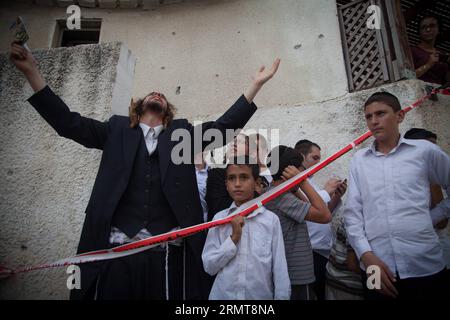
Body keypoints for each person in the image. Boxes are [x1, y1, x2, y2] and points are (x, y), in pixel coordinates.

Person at [9, 42, 281, 300]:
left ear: (167, 113)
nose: (157, 94)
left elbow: (223, 128)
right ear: (138, 109)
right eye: (151, 94)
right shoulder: (116, 131)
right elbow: (68, 123)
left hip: (165, 252)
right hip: (116, 251)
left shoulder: (180, 136)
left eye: (162, 96)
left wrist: (255, 85)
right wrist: (32, 71)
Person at [344, 92, 450, 300]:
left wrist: (430, 218)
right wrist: (366, 257)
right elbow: (352, 214)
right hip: (375, 267)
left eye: (381, 113)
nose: (374, 121)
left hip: (425, 263)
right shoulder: (359, 160)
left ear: (400, 116)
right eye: (368, 117)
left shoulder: (425, 151)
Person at [202, 156, 290, 300]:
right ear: (226, 184)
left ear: (257, 183)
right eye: (232, 178)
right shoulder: (220, 220)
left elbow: (279, 269)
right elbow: (209, 266)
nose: (237, 184)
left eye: (244, 177)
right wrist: (233, 239)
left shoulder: (270, 220)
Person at [264, 146, 332, 300]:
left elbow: (309, 204)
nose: (304, 171)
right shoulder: (283, 199)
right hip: (296, 275)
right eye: (301, 168)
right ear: (292, 170)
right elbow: (324, 215)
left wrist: (295, 187)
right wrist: (302, 182)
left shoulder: (275, 193)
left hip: (289, 273)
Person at [294, 139, 347, 300]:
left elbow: (322, 215)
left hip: (323, 253)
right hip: (309, 252)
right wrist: (325, 191)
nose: (319, 163)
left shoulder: (310, 184)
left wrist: (336, 197)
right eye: (315, 158)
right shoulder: (294, 184)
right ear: (301, 157)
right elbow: (304, 209)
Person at [404, 128, 450, 271]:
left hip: (436, 248)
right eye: (429, 146)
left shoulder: (433, 178)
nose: (434, 151)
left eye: (435, 146)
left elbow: (442, 223)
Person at [205, 133, 249, 221]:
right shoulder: (216, 173)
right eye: (231, 142)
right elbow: (217, 207)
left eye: (240, 142)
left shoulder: (258, 178)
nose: (234, 143)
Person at [324, 214, 364, 300]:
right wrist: (377, 276)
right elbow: (353, 264)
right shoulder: (356, 221)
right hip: (347, 285)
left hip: (336, 279)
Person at [410, 15, 450, 85]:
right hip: (420, 92)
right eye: (424, 27)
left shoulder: (442, 54)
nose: (428, 29)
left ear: (438, 29)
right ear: (419, 32)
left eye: (432, 26)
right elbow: (408, 77)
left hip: (440, 93)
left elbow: (447, 81)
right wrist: (429, 64)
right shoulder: (412, 51)